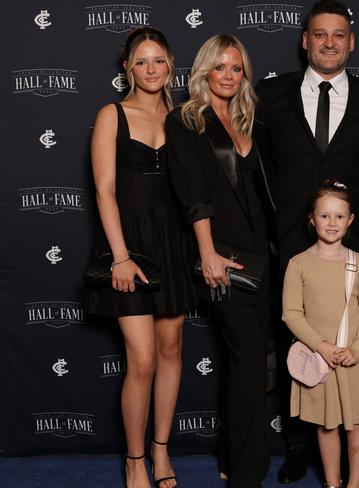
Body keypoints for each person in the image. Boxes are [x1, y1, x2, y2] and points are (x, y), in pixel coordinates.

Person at [255, 1, 359, 481]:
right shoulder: (269, 94)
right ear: (305, 40)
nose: (330, 42)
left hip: (354, 245)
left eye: (339, 34)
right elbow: (256, 168)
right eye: (320, 34)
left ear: (352, 42)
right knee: (297, 344)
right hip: (289, 244)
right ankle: (297, 446)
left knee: (353, 343)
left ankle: (356, 438)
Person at [85, 27, 196, 488]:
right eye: (141, 62)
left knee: (172, 350)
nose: (151, 69)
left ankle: (161, 451)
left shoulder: (184, 117)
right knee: (144, 359)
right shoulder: (113, 114)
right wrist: (120, 257)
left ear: (171, 64)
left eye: (159, 61)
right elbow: (105, 190)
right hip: (128, 248)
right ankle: (134, 460)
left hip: (173, 244)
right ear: (127, 68)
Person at [165, 34, 274, 488]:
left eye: (237, 68)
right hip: (224, 254)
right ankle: (247, 474)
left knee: (246, 361)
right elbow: (194, 195)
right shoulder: (185, 120)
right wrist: (208, 253)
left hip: (264, 254)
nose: (229, 76)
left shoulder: (248, 119)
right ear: (204, 71)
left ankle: (232, 456)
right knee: (247, 356)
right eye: (220, 68)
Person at [282, 180, 359, 488]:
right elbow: (292, 314)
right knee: (326, 427)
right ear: (311, 219)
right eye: (324, 216)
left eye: (339, 216)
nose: (332, 223)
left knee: (357, 426)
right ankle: (332, 483)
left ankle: (354, 484)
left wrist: (357, 348)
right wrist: (321, 346)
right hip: (319, 359)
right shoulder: (298, 264)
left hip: (355, 359)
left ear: (351, 220)